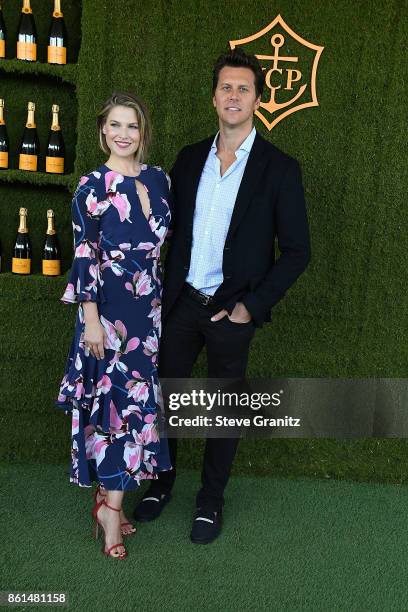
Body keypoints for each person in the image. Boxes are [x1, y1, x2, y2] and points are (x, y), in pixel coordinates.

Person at [133, 48, 311, 544]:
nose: (234, 96)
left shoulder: (280, 169)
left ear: (257, 99)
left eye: (244, 89)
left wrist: (250, 308)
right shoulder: (190, 159)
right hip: (182, 303)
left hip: (232, 311)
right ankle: (160, 482)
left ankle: (210, 500)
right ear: (214, 97)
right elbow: (163, 231)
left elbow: (298, 251)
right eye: (226, 87)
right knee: (165, 400)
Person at [56, 91, 173, 559]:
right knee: (113, 411)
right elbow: (85, 256)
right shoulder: (90, 186)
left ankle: (111, 499)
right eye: (116, 125)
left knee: (136, 409)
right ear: (103, 130)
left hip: (148, 313)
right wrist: (90, 321)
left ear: (142, 133)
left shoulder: (160, 180)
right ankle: (110, 513)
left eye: (133, 126)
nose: (124, 134)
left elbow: (163, 240)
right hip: (107, 314)